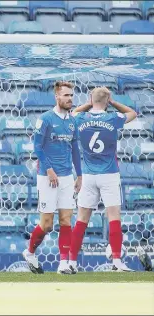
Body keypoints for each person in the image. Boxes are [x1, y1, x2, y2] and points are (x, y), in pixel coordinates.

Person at [69, 87, 137, 272]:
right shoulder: (112, 118)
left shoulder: (80, 118)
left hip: (88, 175)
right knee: (114, 217)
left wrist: (89, 103)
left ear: (91, 99)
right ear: (107, 101)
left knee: (82, 219)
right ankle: (116, 262)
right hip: (109, 174)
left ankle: (72, 263)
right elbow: (132, 113)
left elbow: (74, 111)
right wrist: (113, 103)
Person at [22, 81, 83, 274]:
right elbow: (37, 147)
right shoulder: (46, 119)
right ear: (57, 97)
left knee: (66, 219)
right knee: (47, 224)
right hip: (47, 177)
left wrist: (79, 174)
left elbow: (74, 149)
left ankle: (63, 264)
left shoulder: (73, 121)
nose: (70, 99)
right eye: (66, 95)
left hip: (66, 177)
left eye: (71, 95)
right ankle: (30, 252)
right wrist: (48, 169)